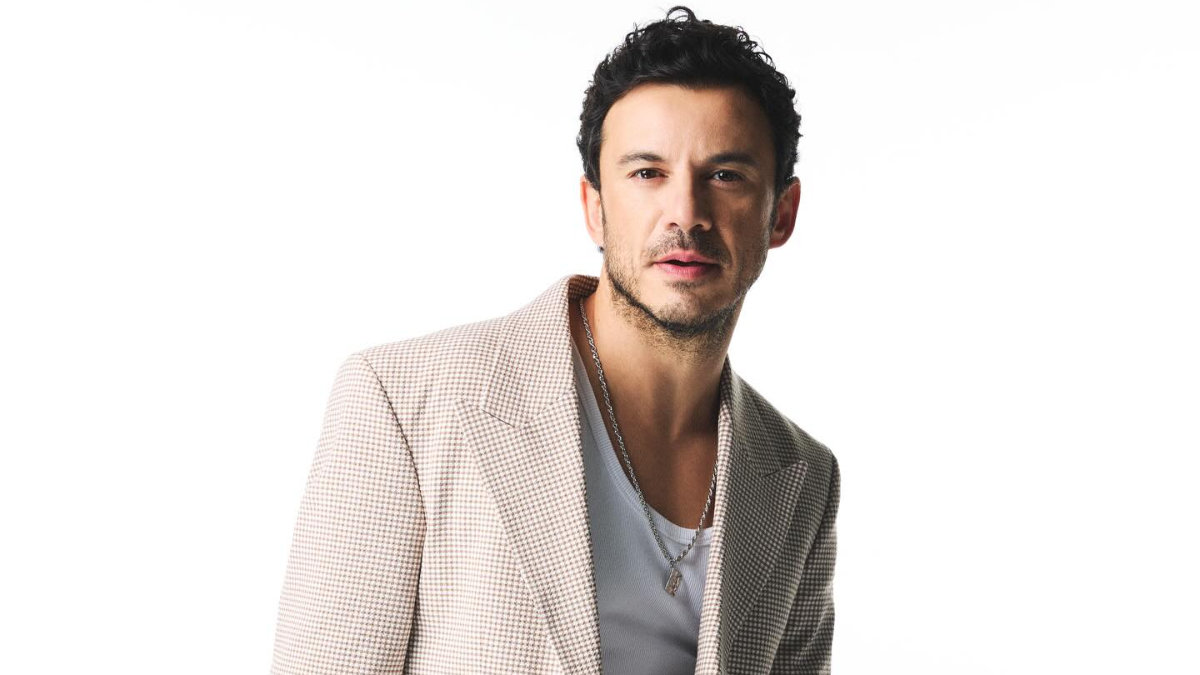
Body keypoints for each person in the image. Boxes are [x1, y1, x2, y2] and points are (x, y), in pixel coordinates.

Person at [270, 6, 840, 674]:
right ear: (594, 207)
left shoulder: (801, 475)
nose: (686, 213)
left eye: (725, 175)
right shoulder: (406, 403)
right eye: (647, 173)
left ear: (781, 213)